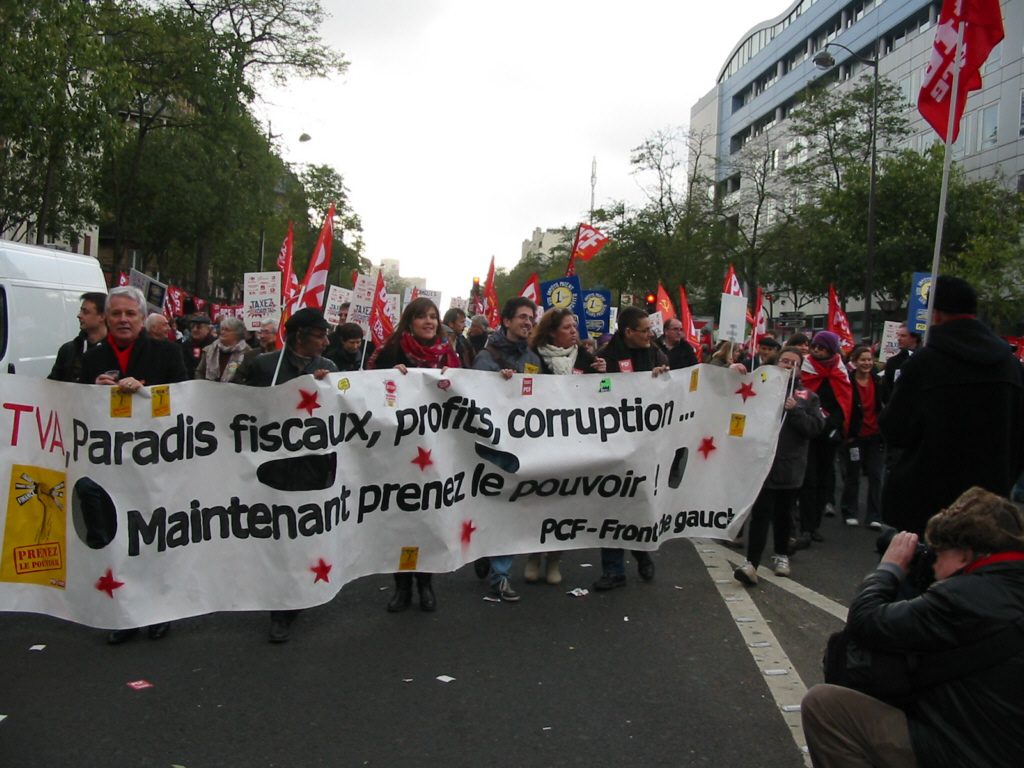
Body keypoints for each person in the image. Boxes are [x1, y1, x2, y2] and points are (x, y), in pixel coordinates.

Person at [801, 486, 1024, 768]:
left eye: (939, 551)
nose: (934, 563)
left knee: (825, 706)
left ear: (965, 555)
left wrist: (889, 568)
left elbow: (866, 622)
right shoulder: (1007, 585)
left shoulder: (964, 596)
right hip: (1002, 744)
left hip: (970, 753)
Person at [79, 286, 189, 644]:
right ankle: (124, 613)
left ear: (142, 319)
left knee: (154, 537)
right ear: (107, 319)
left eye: (130, 314)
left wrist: (144, 390)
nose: (123, 320)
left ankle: (159, 611)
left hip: (153, 459)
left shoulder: (168, 352)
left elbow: (184, 400)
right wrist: (94, 389)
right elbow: (76, 402)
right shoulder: (93, 357)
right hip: (111, 462)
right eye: (116, 314)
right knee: (116, 537)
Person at [881, 275, 1024, 535]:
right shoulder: (1010, 365)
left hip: (930, 505)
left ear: (934, 314)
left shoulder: (924, 364)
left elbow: (895, 430)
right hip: (990, 505)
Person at [242, 307, 338, 642]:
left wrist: (330, 390)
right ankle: (279, 602)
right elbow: (238, 408)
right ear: (299, 335)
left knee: (304, 533)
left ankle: (293, 598)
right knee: (276, 534)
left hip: (312, 468)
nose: (326, 342)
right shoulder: (264, 366)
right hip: (273, 467)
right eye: (319, 335)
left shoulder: (328, 369)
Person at [369, 297, 460, 613]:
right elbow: (363, 390)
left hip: (438, 451)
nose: (430, 322)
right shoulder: (389, 352)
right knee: (403, 518)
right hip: (399, 451)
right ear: (410, 321)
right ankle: (402, 586)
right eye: (423, 316)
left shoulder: (449, 354)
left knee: (431, 518)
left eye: (434, 316)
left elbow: (471, 389)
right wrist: (388, 379)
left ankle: (426, 583)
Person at [523, 307, 607, 585]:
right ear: (551, 332)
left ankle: (554, 559)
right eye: (568, 328)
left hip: (573, 441)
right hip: (541, 440)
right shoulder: (534, 358)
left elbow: (603, 396)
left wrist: (603, 376)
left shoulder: (585, 356)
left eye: (575, 327)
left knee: (564, 501)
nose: (574, 332)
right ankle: (533, 555)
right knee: (538, 499)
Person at [592, 307, 668, 590]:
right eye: (645, 330)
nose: (651, 334)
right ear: (628, 332)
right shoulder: (605, 356)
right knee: (611, 505)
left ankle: (641, 552)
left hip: (645, 445)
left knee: (638, 502)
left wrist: (663, 378)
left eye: (651, 329)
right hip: (611, 443)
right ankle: (613, 570)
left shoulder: (656, 355)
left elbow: (669, 392)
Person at [472, 296, 542, 602]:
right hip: (491, 448)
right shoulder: (486, 357)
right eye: (523, 317)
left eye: (532, 318)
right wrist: (497, 386)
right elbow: (475, 396)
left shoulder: (534, 359)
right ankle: (485, 549)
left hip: (520, 449)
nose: (528, 323)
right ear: (507, 321)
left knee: (511, 508)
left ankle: (500, 575)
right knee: (491, 506)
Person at [735, 347, 824, 585]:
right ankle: (751, 562)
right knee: (761, 515)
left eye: (794, 363)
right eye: (784, 360)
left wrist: (794, 411)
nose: (788, 365)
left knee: (784, 515)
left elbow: (815, 428)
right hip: (762, 464)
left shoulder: (808, 397)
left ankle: (782, 555)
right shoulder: (760, 389)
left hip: (789, 466)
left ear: (800, 368)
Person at [798, 331, 852, 545]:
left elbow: (845, 402)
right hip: (807, 430)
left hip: (829, 434)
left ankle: (815, 526)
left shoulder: (840, 371)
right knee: (808, 480)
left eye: (821, 347)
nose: (817, 350)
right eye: (815, 347)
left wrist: (832, 425)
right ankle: (804, 526)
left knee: (823, 480)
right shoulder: (805, 369)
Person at [841, 346, 885, 529]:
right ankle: (850, 511)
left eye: (869, 360)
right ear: (855, 361)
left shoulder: (878, 381)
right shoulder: (848, 382)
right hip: (855, 437)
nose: (866, 363)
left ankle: (874, 515)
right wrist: (848, 434)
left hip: (876, 436)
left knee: (875, 476)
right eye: (863, 360)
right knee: (853, 475)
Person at [48, 291, 107, 382]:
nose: (79, 315)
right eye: (81, 310)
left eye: (85, 312)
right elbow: (52, 384)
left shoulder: (114, 351)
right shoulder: (68, 349)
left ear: (102, 317)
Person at [195, 316, 257, 382]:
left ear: (237, 333)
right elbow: (200, 372)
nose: (222, 332)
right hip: (209, 390)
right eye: (222, 329)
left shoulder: (247, 353)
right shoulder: (209, 350)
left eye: (227, 330)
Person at [180, 313, 214, 377]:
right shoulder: (184, 345)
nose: (195, 329)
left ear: (208, 329)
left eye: (199, 327)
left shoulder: (215, 345)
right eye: (192, 327)